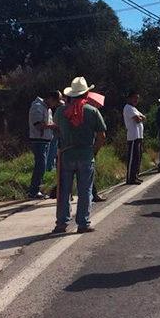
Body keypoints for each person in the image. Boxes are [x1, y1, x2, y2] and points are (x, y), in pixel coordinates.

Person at [52, 77, 106, 234]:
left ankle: (61, 224)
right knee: (85, 191)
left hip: (66, 155)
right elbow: (101, 136)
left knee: (63, 192)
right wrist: (94, 151)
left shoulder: (61, 112)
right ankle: (83, 223)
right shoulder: (92, 111)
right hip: (85, 155)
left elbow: (58, 129)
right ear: (85, 94)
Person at [27, 91, 60, 199]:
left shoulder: (47, 109)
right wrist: (53, 126)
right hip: (38, 140)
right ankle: (33, 191)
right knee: (40, 165)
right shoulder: (37, 107)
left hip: (45, 140)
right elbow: (37, 125)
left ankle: (36, 189)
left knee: (43, 165)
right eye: (55, 102)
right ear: (50, 98)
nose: (55, 105)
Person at [123, 91, 146, 185]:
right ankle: (130, 178)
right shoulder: (128, 107)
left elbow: (143, 117)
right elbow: (137, 119)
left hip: (138, 135)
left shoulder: (134, 108)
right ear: (130, 98)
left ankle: (135, 175)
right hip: (133, 136)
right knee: (133, 157)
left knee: (138, 157)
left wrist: (140, 117)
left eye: (138, 98)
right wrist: (139, 118)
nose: (136, 100)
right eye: (135, 98)